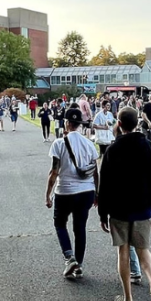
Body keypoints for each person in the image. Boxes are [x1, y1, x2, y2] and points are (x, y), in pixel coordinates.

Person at [97, 106, 151, 301]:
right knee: (144, 250)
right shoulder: (148, 147)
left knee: (123, 251)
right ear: (137, 123)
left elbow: (105, 185)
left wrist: (102, 214)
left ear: (119, 123)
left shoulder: (112, 150)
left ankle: (128, 298)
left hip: (119, 208)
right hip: (143, 206)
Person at [45, 108, 98, 279]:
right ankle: (79, 265)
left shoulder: (59, 144)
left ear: (67, 123)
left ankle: (69, 258)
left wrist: (47, 194)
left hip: (65, 191)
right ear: (80, 125)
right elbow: (95, 171)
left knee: (60, 223)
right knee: (80, 228)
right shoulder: (89, 144)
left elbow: (54, 172)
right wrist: (97, 192)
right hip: (87, 191)